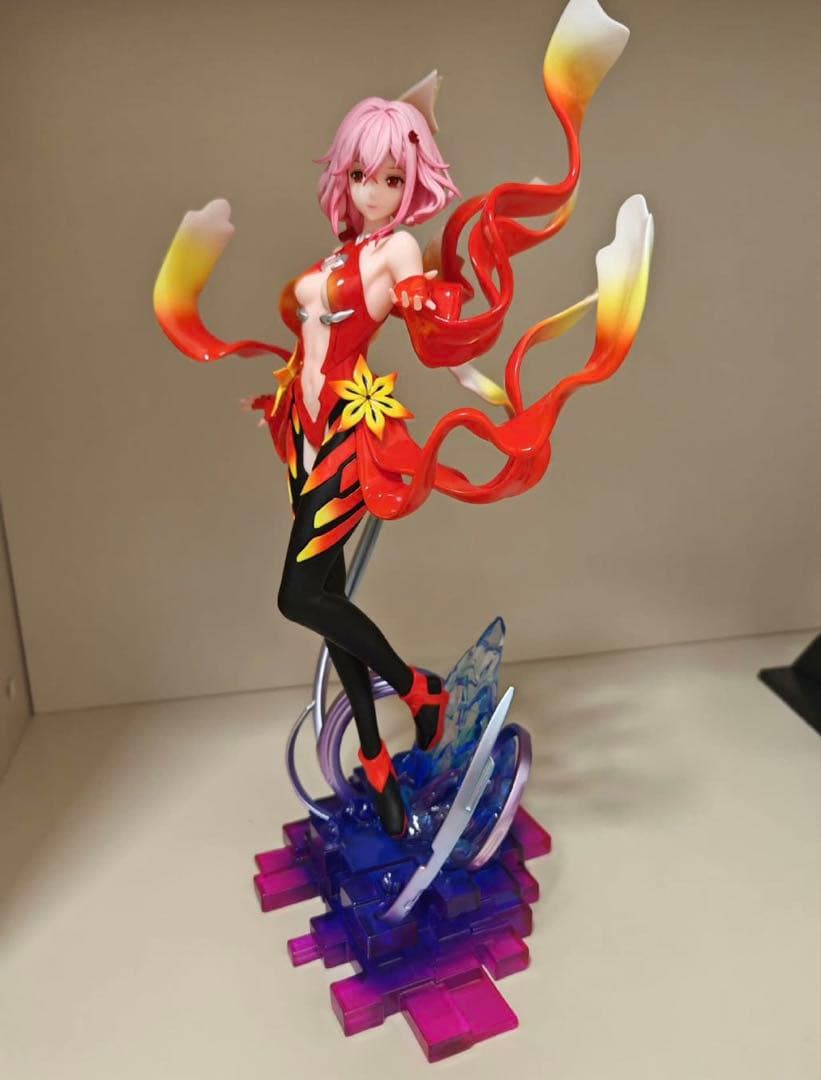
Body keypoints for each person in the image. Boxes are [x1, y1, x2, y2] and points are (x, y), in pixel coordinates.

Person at [153, 0, 654, 838]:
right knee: (327, 599)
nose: (376, 192)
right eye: (363, 175)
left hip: (348, 438)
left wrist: (446, 334)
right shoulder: (339, 252)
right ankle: (377, 761)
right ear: (343, 176)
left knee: (298, 595)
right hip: (302, 431)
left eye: (392, 178)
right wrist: (277, 398)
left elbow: (419, 307)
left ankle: (418, 690)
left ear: (411, 181)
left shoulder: (394, 251)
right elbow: (311, 339)